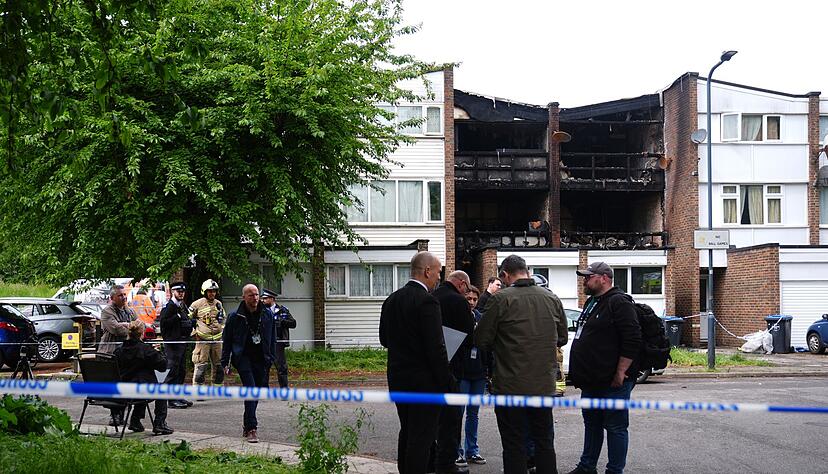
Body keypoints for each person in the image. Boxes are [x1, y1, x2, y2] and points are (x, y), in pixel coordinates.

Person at [474, 254, 568, 474]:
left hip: (510, 385)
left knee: (514, 443)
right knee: (544, 441)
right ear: (527, 270)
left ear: (505, 275)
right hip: (543, 385)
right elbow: (562, 337)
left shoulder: (501, 299)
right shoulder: (551, 298)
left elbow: (481, 340)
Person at [379, 251, 453, 474]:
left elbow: (384, 339)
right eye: (438, 273)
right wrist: (447, 381)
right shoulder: (428, 301)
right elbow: (436, 348)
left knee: (407, 431)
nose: (439, 278)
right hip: (424, 383)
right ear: (427, 271)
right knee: (421, 438)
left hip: (398, 379)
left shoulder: (391, 299)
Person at [566, 262, 642, 474]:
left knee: (616, 427)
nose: (585, 280)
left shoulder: (619, 302)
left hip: (612, 382)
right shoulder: (592, 302)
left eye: (589, 277)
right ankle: (587, 466)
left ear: (604, 278)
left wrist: (620, 371)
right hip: (592, 380)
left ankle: (614, 470)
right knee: (592, 425)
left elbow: (633, 338)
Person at [221, 284, 275, 443]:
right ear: (244, 297)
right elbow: (227, 341)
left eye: (257, 294)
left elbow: (272, 337)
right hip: (242, 357)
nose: (255, 298)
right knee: (251, 388)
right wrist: (225, 361)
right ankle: (252, 428)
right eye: (251, 295)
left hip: (261, 357)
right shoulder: (235, 317)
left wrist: (271, 358)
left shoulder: (267, 314)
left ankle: (247, 424)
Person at [432, 270, 475, 474]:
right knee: (451, 419)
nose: (466, 292)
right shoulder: (458, 302)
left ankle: (430, 459)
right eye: (466, 287)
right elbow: (469, 337)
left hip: (430, 367)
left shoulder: (431, 297)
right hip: (453, 366)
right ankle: (447, 464)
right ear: (460, 284)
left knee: (431, 418)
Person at [113, 320, 173, 435]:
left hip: (121, 391)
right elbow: (162, 366)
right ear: (142, 333)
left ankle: (136, 421)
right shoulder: (146, 350)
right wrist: (158, 352)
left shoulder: (118, 351)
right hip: (138, 392)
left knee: (142, 384)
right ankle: (159, 423)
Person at [457, 285, 487, 466]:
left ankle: (472, 450)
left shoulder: (481, 318)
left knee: (473, 414)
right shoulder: (459, 318)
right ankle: (457, 450)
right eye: (469, 299)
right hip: (462, 373)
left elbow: (487, 346)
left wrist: (488, 371)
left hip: (479, 373)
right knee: (458, 413)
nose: (472, 303)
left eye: (475, 299)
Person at [99, 284, 136, 427]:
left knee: (126, 382)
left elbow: (140, 326)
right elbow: (115, 329)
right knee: (114, 384)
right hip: (110, 353)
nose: (124, 297)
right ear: (112, 298)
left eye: (124, 295)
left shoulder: (129, 310)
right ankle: (115, 414)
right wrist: (130, 326)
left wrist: (127, 325)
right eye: (120, 295)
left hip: (127, 353)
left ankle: (124, 412)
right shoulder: (107, 311)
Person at [158, 281, 193, 411]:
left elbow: (185, 320)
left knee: (181, 371)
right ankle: (171, 399)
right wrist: (177, 317)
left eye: (183, 292)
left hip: (182, 342)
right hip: (173, 344)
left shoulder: (182, 305)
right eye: (179, 292)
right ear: (173, 292)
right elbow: (164, 324)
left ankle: (177, 396)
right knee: (172, 371)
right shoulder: (170, 306)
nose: (181, 294)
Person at [190, 279, 226, 387]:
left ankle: (217, 389)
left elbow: (223, 318)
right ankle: (199, 390)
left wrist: (222, 329)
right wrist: (194, 333)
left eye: (214, 291)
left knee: (219, 366)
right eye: (210, 291)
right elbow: (186, 321)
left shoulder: (218, 304)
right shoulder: (197, 304)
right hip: (202, 340)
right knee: (201, 366)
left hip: (217, 341)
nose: (212, 293)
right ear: (204, 292)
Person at [261, 288, 297, 388]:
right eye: (262, 299)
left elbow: (293, 323)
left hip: (278, 342)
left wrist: (281, 322)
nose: (263, 301)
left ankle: (284, 390)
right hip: (265, 342)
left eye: (265, 298)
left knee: (281, 367)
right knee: (264, 367)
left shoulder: (282, 310)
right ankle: (264, 390)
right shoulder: (261, 310)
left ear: (272, 299)